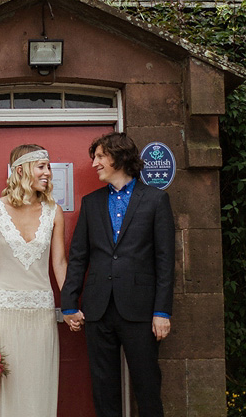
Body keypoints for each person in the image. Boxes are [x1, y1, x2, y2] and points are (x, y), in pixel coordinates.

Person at [60, 132, 175, 417]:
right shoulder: (91, 203)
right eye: (94, 157)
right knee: (103, 387)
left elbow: (165, 260)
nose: (94, 163)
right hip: (98, 310)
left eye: (100, 156)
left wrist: (162, 311)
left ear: (120, 157)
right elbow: (78, 257)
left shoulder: (156, 200)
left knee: (147, 386)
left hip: (141, 310)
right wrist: (69, 303)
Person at [0, 144, 67, 416]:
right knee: (2, 387)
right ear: (21, 170)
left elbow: (59, 263)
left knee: (37, 386)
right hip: (2, 314)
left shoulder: (54, 211)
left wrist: (71, 305)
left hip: (41, 314)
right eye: (41, 166)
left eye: (48, 167)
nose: (48, 173)